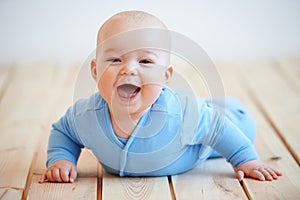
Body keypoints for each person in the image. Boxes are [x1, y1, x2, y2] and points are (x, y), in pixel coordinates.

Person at [39, 10, 281, 183]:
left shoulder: (180, 114)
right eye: (115, 60)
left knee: (240, 125)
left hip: (211, 131)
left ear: (166, 76)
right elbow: (63, 132)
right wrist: (61, 159)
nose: (129, 69)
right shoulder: (86, 116)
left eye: (145, 61)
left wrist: (245, 159)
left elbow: (219, 129)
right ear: (95, 71)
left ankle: (224, 108)